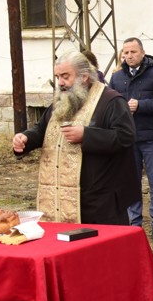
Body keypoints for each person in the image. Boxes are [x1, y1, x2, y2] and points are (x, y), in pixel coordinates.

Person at [13, 51, 139, 226]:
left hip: (100, 201)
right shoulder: (60, 102)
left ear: (84, 77)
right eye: (58, 77)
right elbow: (41, 130)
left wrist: (86, 135)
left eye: (65, 76)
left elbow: (125, 137)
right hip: (60, 199)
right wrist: (24, 139)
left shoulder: (111, 101)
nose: (60, 83)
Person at [108, 37, 153, 241]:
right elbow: (109, 104)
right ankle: (134, 223)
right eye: (125, 53)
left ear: (142, 53)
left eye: (133, 52)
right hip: (127, 138)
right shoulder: (117, 78)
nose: (129, 56)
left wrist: (141, 105)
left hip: (151, 136)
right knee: (131, 182)